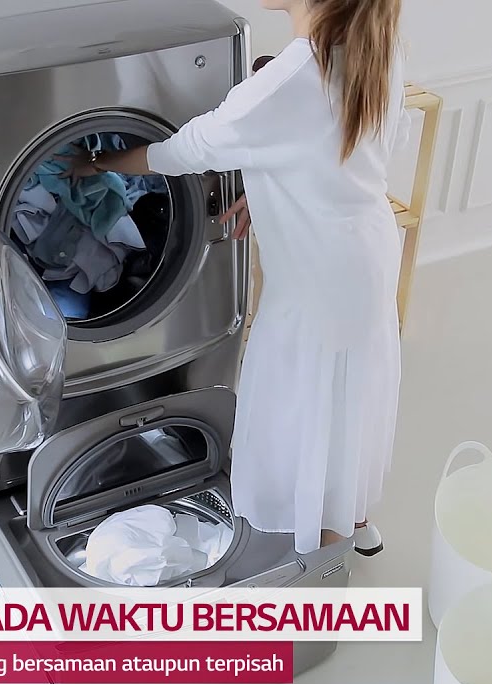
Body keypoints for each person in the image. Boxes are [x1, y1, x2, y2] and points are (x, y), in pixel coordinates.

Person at [66, 0, 409, 557]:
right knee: (352, 394)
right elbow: (348, 148)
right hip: (364, 251)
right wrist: (274, 188)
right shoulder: (376, 46)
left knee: (303, 403)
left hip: (316, 276)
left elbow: (183, 151)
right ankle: (354, 517)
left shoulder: (286, 80)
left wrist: (96, 164)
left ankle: (325, 558)